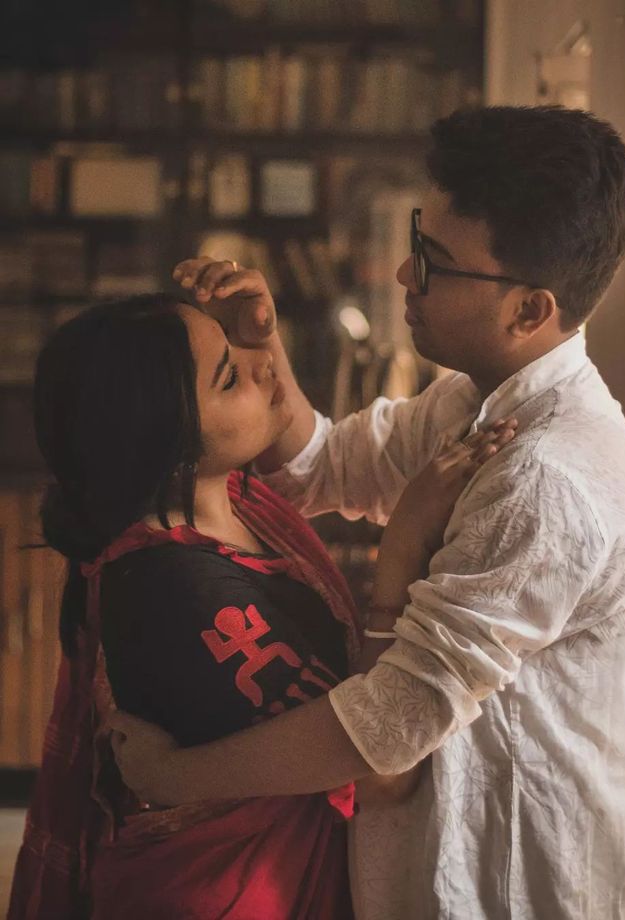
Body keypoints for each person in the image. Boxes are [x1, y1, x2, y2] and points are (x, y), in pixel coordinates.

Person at [111, 104, 625, 920]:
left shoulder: (545, 476)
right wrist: (266, 357)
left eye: (433, 262)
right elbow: (324, 466)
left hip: (516, 888)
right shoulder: (474, 403)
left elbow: (388, 729)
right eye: (418, 239)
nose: (406, 276)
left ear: (529, 310)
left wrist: (171, 778)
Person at [8, 292, 513, 919]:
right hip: (226, 898)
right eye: (229, 375)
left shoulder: (240, 505)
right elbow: (379, 774)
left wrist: (261, 334)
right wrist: (402, 547)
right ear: (168, 439)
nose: (262, 365)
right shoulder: (180, 590)